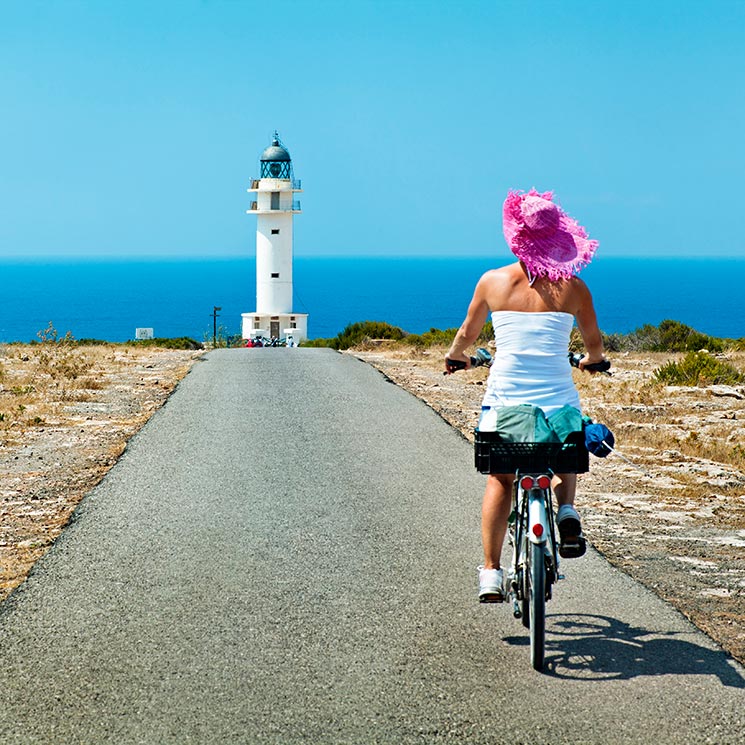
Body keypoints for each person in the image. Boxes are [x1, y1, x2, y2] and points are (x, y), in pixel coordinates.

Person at [445, 189, 606, 603]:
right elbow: (594, 343)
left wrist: (456, 356)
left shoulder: (493, 282)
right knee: (566, 431)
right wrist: (592, 361)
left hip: (506, 404)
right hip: (556, 402)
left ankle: (491, 573)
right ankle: (566, 511)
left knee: (501, 480)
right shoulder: (574, 289)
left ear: (516, 237)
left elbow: (468, 333)